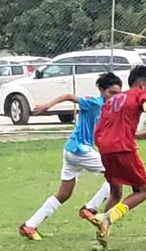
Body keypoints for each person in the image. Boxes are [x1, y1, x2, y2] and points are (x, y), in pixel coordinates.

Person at [19, 72, 128, 241]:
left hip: (71, 151)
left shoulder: (110, 108)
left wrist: (139, 134)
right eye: (110, 93)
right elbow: (69, 96)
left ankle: (30, 225)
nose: (113, 97)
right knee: (118, 174)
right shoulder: (93, 103)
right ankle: (90, 209)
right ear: (101, 90)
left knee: (64, 193)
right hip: (80, 150)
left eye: (117, 94)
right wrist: (47, 106)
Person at [93, 65, 146, 249]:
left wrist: (136, 135)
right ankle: (108, 217)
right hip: (123, 149)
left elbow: (108, 126)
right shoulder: (138, 94)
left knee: (115, 193)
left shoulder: (112, 100)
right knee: (142, 191)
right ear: (143, 85)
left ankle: (101, 235)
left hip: (105, 149)